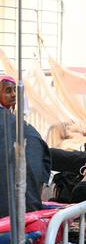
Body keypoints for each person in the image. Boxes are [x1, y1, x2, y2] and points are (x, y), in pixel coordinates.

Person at [0, 81, 52, 217]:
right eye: (8, 91)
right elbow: (43, 168)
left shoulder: (22, 128)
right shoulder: (27, 130)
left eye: (14, 90)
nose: (13, 95)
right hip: (28, 212)